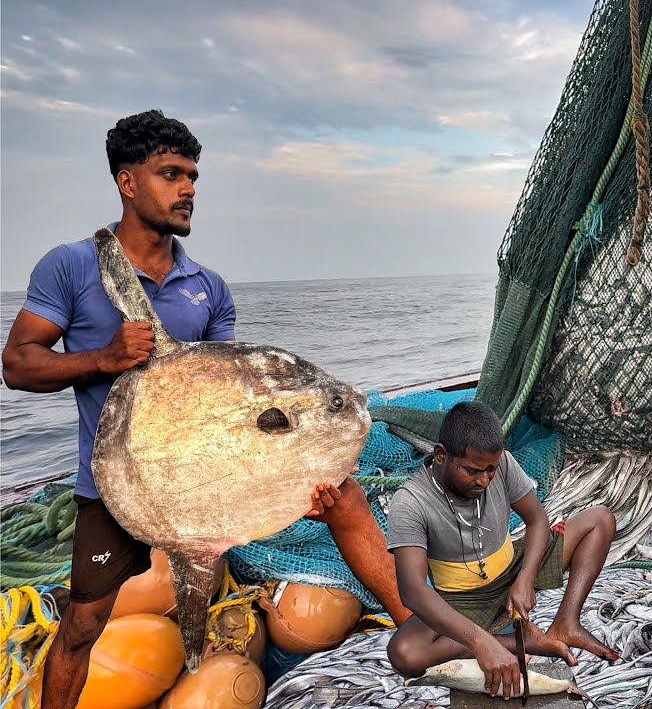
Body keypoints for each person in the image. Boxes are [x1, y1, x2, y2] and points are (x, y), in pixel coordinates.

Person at [0, 110, 409, 709]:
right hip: (116, 487)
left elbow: (233, 403)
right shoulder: (70, 266)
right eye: (171, 174)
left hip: (208, 483)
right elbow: (17, 364)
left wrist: (291, 477)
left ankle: (418, 626)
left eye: (193, 176)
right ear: (127, 181)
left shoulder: (208, 286)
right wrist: (103, 358)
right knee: (84, 625)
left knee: (334, 501)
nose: (188, 188)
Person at [384, 401, 619, 698]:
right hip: (461, 599)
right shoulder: (410, 502)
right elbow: (413, 591)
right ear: (441, 455)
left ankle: (566, 623)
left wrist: (525, 578)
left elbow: (536, 520)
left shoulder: (503, 463)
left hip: (512, 570)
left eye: (490, 471)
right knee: (405, 654)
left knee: (599, 520)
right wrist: (480, 642)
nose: (483, 480)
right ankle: (520, 642)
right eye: (472, 471)